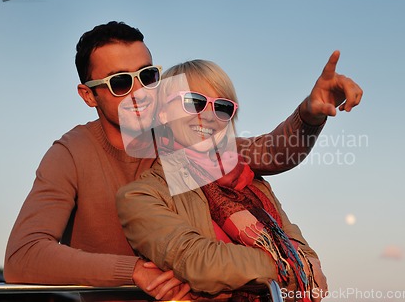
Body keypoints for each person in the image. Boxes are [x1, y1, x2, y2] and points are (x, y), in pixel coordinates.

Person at [4, 21, 362, 299]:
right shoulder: (71, 153)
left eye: (147, 76)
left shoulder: (183, 135)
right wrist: (132, 272)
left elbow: (270, 152)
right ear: (88, 95)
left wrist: (311, 114)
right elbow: (24, 256)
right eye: (119, 83)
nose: (140, 92)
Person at [116, 60, 327, 302]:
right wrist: (291, 264)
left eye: (223, 107)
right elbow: (200, 263)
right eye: (194, 102)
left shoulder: (251, 182)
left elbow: (312, 267)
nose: (208, 116)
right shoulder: (141, 195)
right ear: (162, 113)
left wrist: (288, 266)